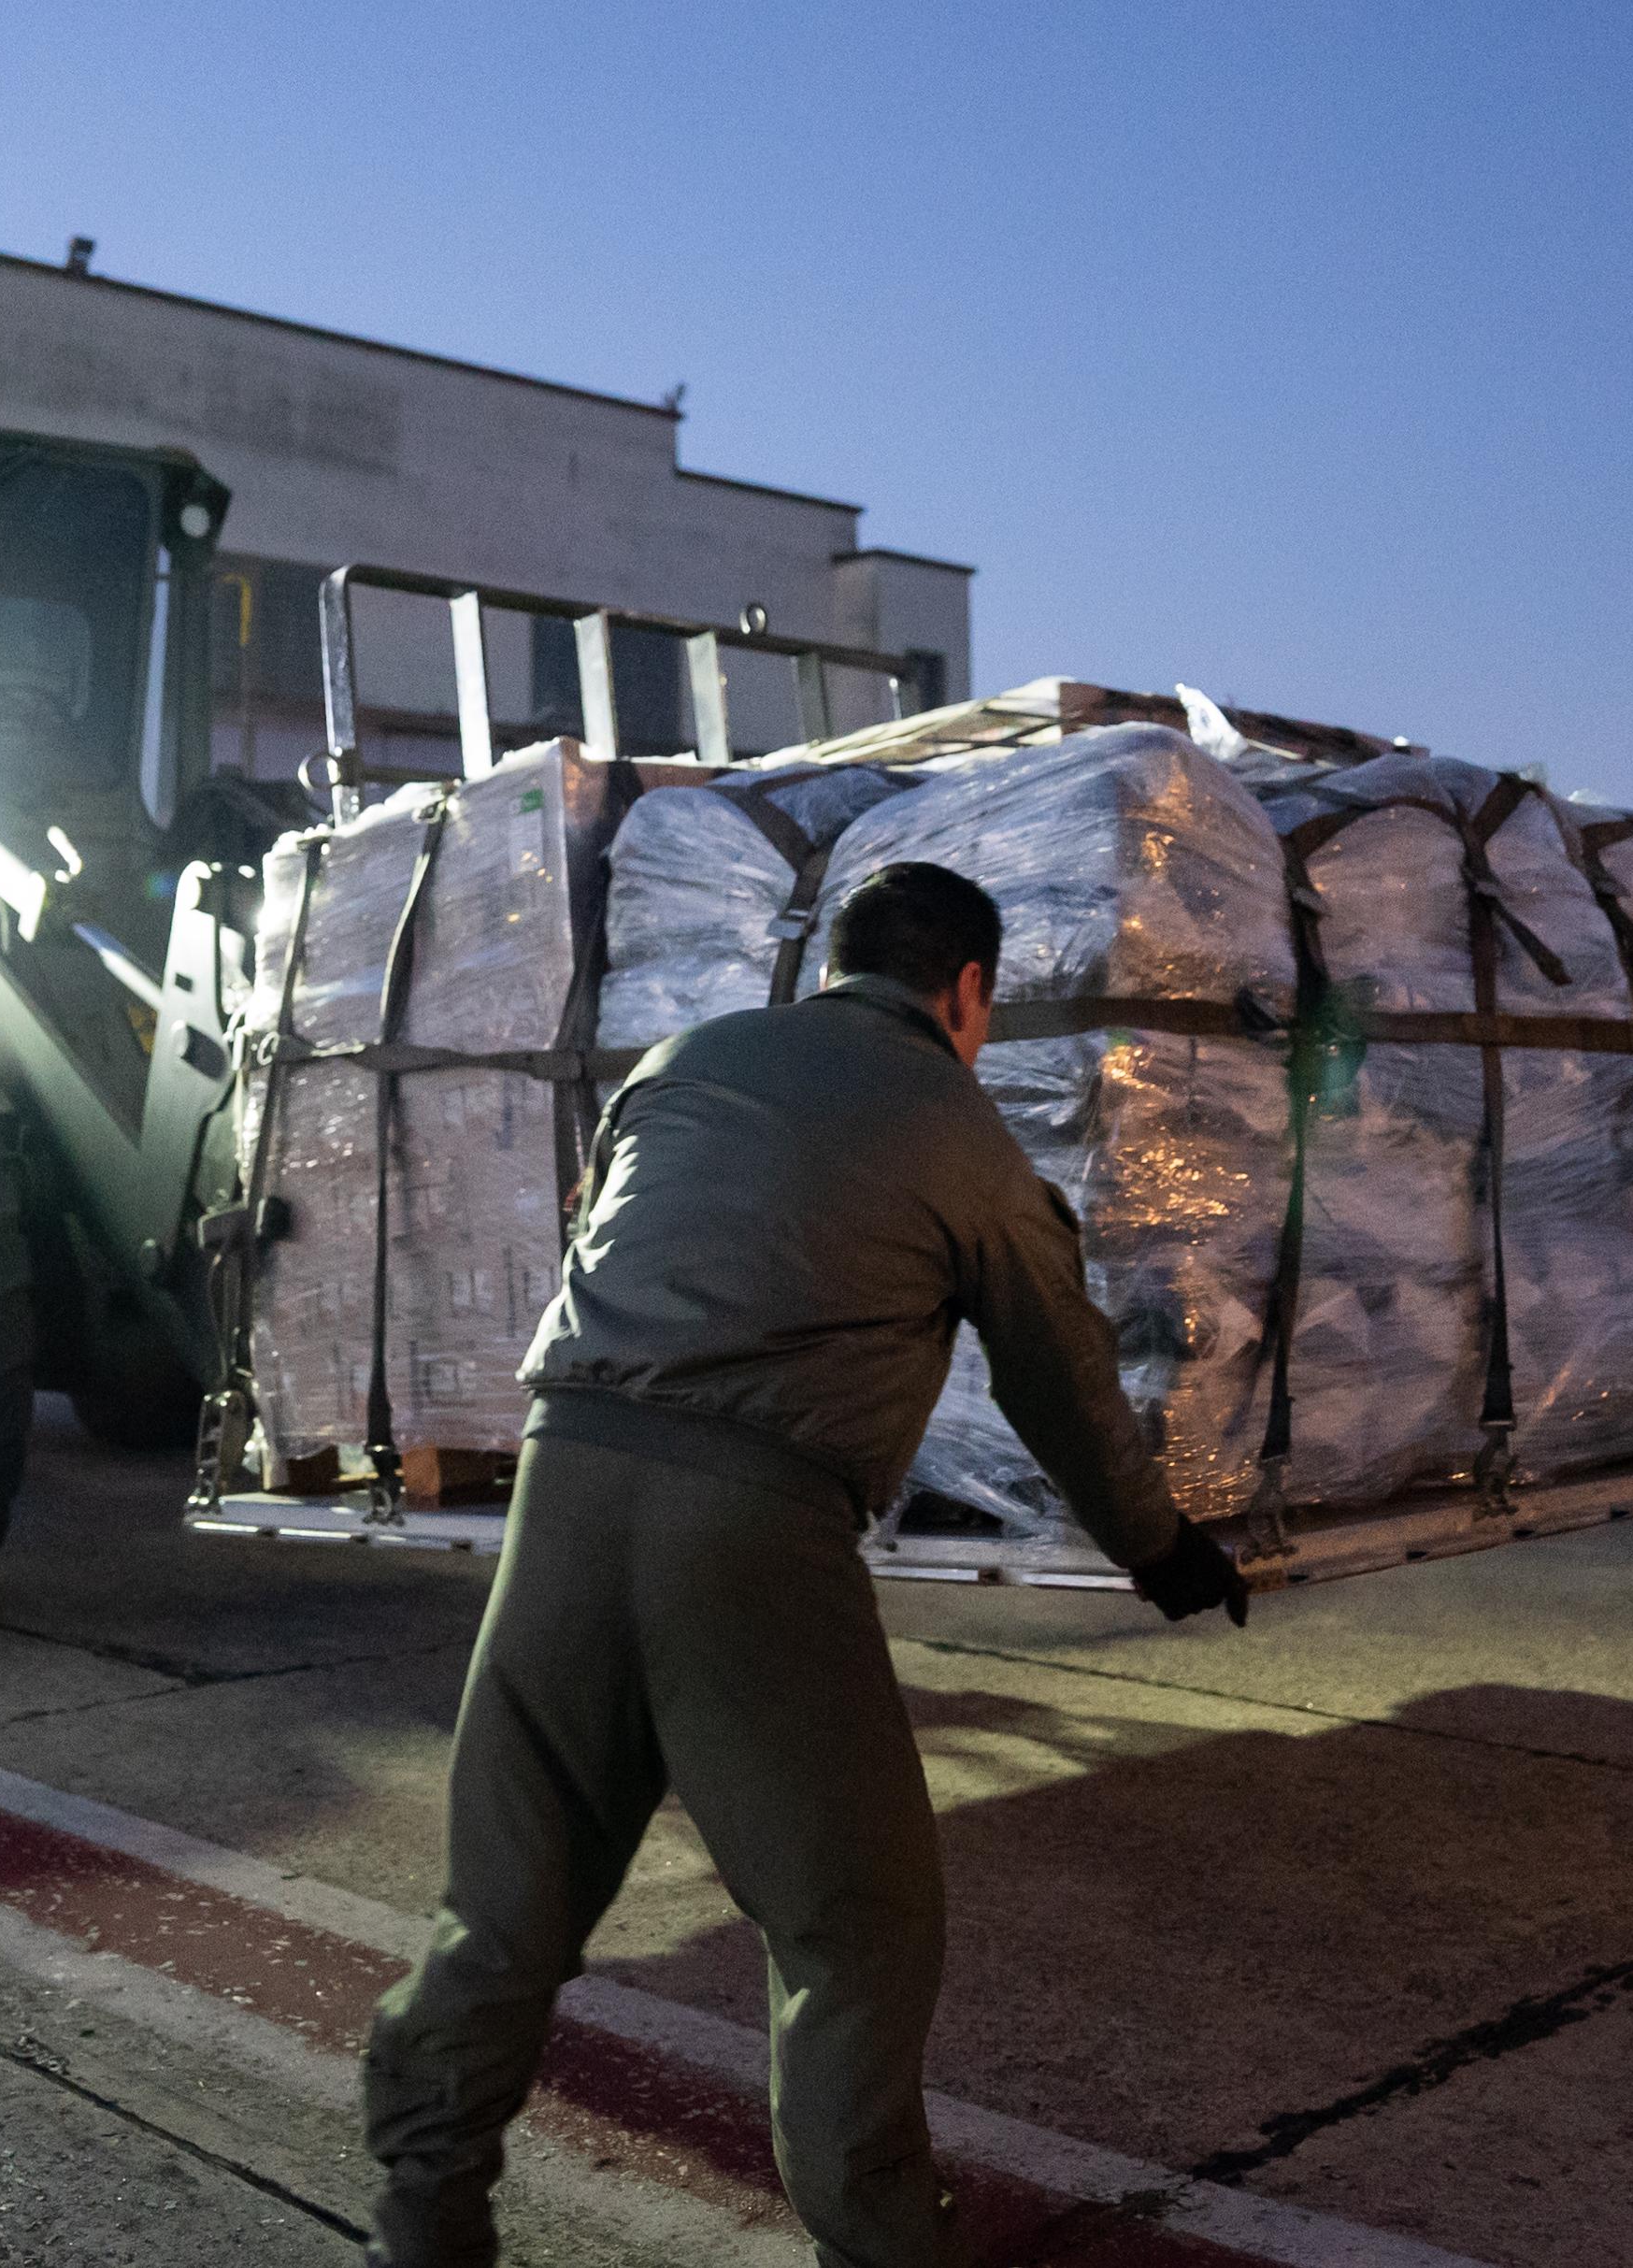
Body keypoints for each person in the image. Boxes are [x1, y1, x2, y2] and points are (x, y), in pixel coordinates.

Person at [359, 858, 1252, 2268]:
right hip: (750, 1526)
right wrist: (1162, 1547)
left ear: (835, 963)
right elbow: (1062, 1375)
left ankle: (423, 2222)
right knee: (858, 1925)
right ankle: (881, 2243)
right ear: (967, 991)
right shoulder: (962, 1134)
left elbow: (606, 1231)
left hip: (565, 1482)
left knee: (508, 1904)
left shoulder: (681, 1062)